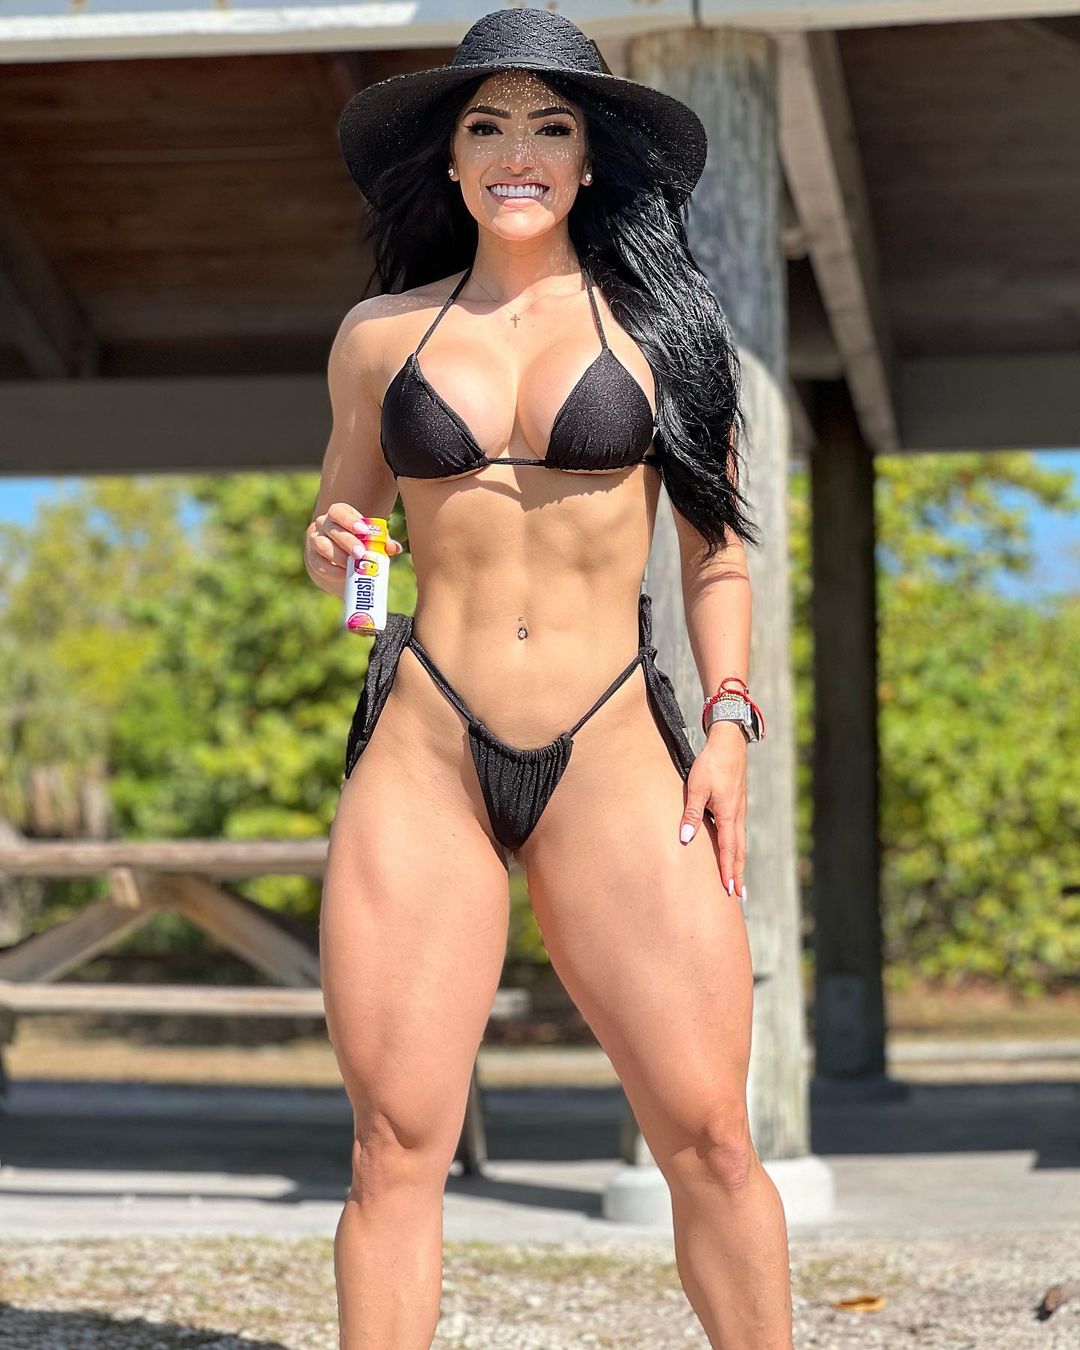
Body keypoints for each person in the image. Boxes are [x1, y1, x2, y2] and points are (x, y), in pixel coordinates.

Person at [303, 8, 793, 1346]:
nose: (518, 151)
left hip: (617, 749)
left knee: (710, 1134)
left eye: (551, 125)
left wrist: (729, 724)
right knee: (394, 1145)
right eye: (489, 125)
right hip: (427, 748)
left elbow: (716, 556)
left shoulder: (666, 333)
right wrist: (333, 552)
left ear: (587, 161)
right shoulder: (377, 338)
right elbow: (352, 541)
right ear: (452, 161)